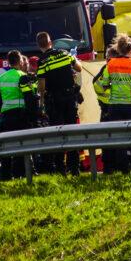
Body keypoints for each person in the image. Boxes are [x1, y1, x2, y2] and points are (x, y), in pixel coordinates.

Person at [93, 34, 131, 172]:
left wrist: (116, 83)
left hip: (115, 106)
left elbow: (104, 84)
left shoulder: (110, 64)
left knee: (119, 138)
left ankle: (123, 168)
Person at [35, 32, 83, 175]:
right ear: (51, 43)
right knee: (72, 132)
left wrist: (42, 102)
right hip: (69, 98)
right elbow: (79, 68)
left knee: (58, 132)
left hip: (54, 101)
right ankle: (74, 167)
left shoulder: (42, 61)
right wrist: (73, 59)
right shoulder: (64, 53)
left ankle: (60, 168)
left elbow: (42, 85)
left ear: (39, 46)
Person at [0, 51, 32, 180]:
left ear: (8, 62)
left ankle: (6, 175)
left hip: (6, 116)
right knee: (21, 145)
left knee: (6, 148)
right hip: (20, 115)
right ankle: (20, 174)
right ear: (20, 61)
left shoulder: (1, 77)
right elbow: (29, 97)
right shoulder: (22, 76)